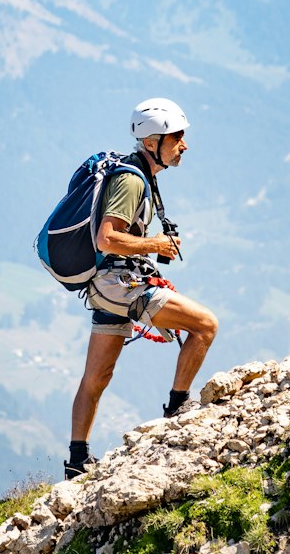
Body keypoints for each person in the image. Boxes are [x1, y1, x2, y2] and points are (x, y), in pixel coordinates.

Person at [65, 98, 218, 479]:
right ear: (152, 143)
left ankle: (76, 461)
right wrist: (155, 245)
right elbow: (107, 239)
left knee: (97, 377)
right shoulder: (132, 180)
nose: (184, 145)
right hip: (121, 285)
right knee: (205, 325)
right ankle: (177, 408)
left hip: (110, 286)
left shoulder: (139, 175)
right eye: (176, 138)